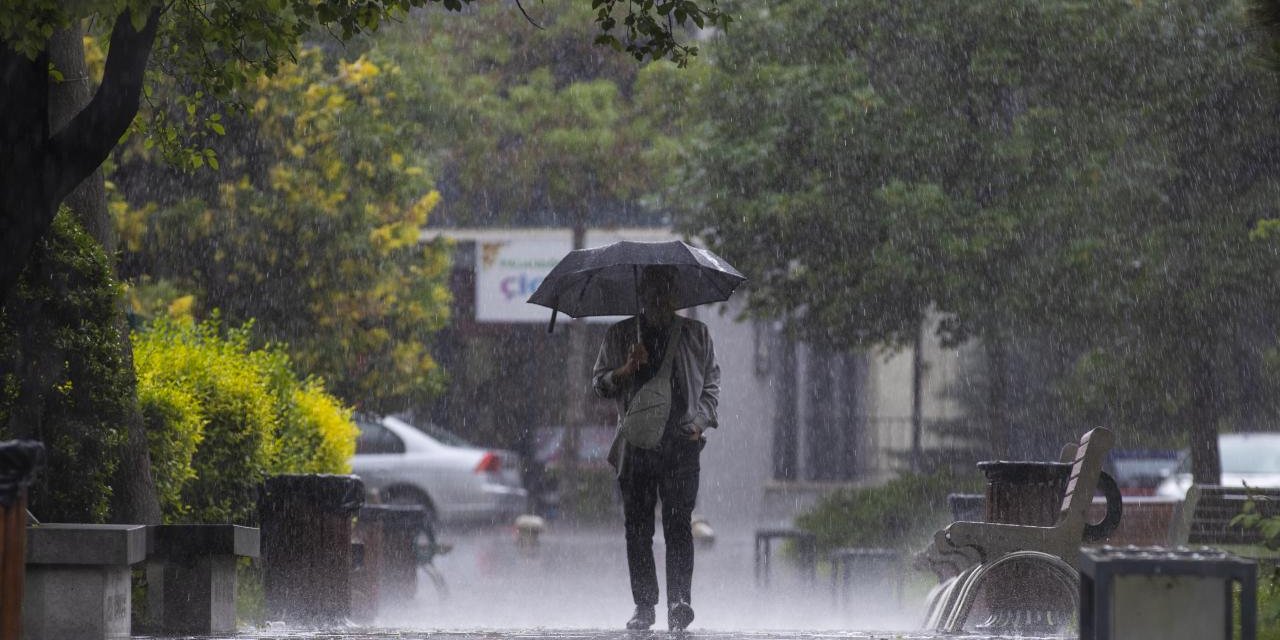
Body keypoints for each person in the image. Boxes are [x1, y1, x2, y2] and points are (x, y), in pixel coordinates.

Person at [591, 265, 721, 631]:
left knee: (678, 525)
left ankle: (680, 603)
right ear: (642, 294)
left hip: (682, 445)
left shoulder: (696, 334)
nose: (658, 298)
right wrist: (626, 369)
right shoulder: (621, 335)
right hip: (636, 448)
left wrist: (699, 422)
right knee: (637, 528)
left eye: (665, 290)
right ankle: (645, 606)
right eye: (651, 291)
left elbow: (712, 383)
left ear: (674, 295)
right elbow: (599, 384)